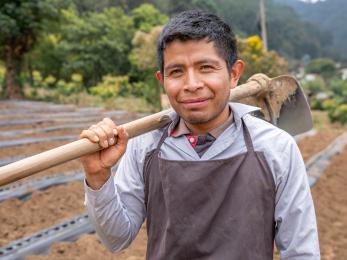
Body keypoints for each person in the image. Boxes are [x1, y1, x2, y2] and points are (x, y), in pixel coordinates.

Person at [80, 10, 320, 260]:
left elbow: (301, 252)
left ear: (234, 73)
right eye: (176, 72)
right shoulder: (146, 144)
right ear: (162, 80)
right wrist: (98, 176)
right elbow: (117, 238)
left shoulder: (275, 147)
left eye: (206, 68)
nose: (191, 84)